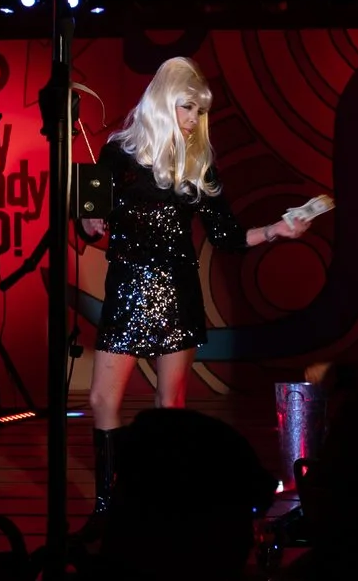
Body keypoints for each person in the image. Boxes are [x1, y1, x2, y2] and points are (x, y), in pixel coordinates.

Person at [77, 56, 316, 521]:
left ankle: (163, 504)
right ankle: (109, 508)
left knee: (171, 406)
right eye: (187, 108)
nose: (193, 120)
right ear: (165, 103)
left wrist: (275, 231)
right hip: (128, 285)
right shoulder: (116, 154)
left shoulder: (199, 164)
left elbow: (228, 235)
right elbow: (90, 225)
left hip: (177, 291)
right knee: (102, 400)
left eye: (199, 111)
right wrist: (88, 221)